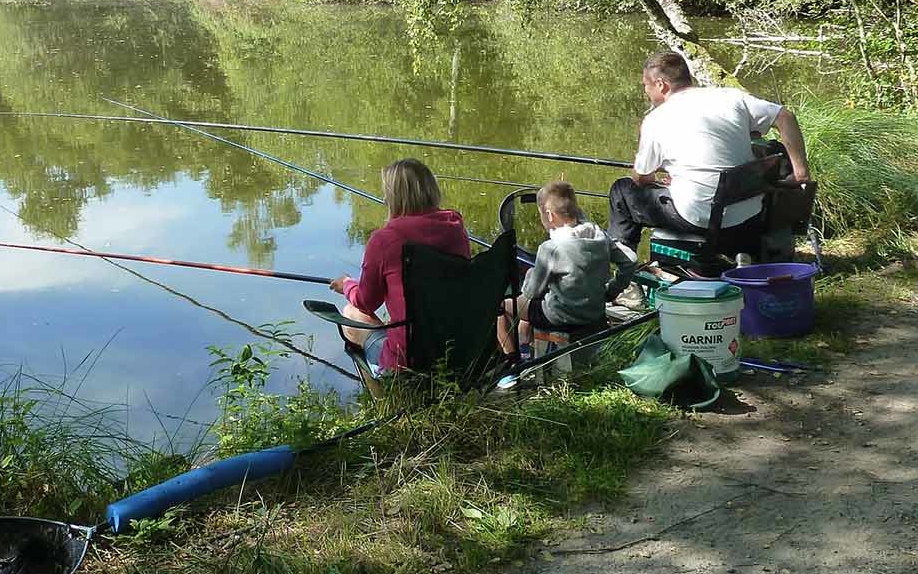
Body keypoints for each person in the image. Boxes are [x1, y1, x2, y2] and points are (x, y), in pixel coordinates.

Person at [607, 51, 811, 292]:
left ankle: (626, 280)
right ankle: (738, 255)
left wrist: (661, 180)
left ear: (661, 85)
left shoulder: (656, 119)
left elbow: (641, 178)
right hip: (748, 212)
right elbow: (785, 116)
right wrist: (800, 173)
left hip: (700, 217)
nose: (645, 92)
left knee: (622, 190)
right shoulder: (729, 96)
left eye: (646, 86)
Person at [329, 158, 470, 374]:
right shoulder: (455, 228)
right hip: (458, 347)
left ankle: (386, 392)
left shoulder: (385, 240)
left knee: (351, 313)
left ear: (393, 197)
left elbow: (366, 302)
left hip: (408, 358)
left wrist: (347, 285)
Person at [496, 180, 631, 359]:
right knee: (536, 303)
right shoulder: (599, 236)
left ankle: (512, 361)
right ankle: (526, 345)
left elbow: (531, 292)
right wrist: (611, 291)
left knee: (501, 306)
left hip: (561, 316)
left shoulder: (551, 248)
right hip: (595, 311)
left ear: (550, 216)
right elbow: (630, 260)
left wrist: (530, 274)